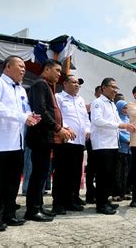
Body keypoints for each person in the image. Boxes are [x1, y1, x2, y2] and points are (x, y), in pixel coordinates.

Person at [0, 56, 41, 231]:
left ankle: (9, 214)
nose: (23, 70)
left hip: (14, 143)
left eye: (24, 67)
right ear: (7, 67)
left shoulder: (20, 89)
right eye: (20, 66)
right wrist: (22, 116)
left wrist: (31, 116)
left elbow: (24, 110)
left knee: (11, 183)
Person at [25, 59, 75, 222]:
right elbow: (40, 111)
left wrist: (62, 127)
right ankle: (32, 210)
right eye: (57, 70)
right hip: (40, 137)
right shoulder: (39, 84)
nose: (59, 74)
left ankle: (38, 206)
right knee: (39, 173)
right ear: (46, 69)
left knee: (42, 173)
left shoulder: (47, 86)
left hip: (46, 137)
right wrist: (58, 128)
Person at [90, 78, 136, 215]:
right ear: (103, 88)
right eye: (112, 87)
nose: (115, 90)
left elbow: (118, 122)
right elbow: (97, 121)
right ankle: (101, 204)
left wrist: (129, 127)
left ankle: (105, 200)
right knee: (102, 176)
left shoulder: (112, 104)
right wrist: (121, 125)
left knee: (110, 175)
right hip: (102, 144)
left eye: (116, 88)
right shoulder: (98, 103)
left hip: (112, 144)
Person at [52, 75, 91, 214]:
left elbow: (85, 118)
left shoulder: (80, 100)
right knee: (62, 172)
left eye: (78, 83)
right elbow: (57, 117)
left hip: (79, 141)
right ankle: (58, 202)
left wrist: (87, 130)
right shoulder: (59, 97)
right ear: (65, 84)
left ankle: (71, 200)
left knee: (75, 172)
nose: (77, 85)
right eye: (74, 82)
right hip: (65, 140)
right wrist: (67, 127)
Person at [112, 100, 132, 202]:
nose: (125, 110)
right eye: (124, 108)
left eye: (126, 108)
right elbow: (117, 133)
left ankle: (125, 192)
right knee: (118, 172)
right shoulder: (117, 119)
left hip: (129, 150)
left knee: (127, 172)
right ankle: (116, 193)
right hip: (120, 149)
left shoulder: (128, 119)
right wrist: (127, 140)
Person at [85, 85, 101, 204]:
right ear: (96, 94)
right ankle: (90, 193)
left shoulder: (109, 106)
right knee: (92, 168)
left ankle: (99, 193)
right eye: (100, 92)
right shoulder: (91, 107)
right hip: (92, 141)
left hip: (104, 143)